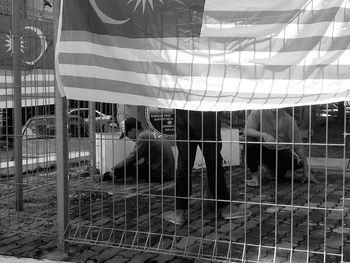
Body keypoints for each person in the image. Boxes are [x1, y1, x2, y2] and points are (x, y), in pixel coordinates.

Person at [164, 110, 250, 225]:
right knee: (213, 161)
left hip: (182, 110)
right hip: (206, 112)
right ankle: (225, 207)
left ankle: (179, 213)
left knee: (184, 163)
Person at [244, 109, 319, 187]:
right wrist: (264, 135)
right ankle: (255, 178)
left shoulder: (290, 120)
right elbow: (247, 130)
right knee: (249, 141)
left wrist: (306, 170)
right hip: (263, 149)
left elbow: (298, 146)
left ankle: (270, 169)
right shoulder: (258, 112)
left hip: (280, 152)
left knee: (295, 164)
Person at [103, 118, 175, 183]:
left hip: (161, 174)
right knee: (136, 166)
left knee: (127, 168)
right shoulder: (150, 133)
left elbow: (133, 158)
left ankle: (109, 176)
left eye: (127, 135)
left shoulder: (143, 136)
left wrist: (116, 167)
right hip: (168, 172)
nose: (128, 137)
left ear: (133, 130)